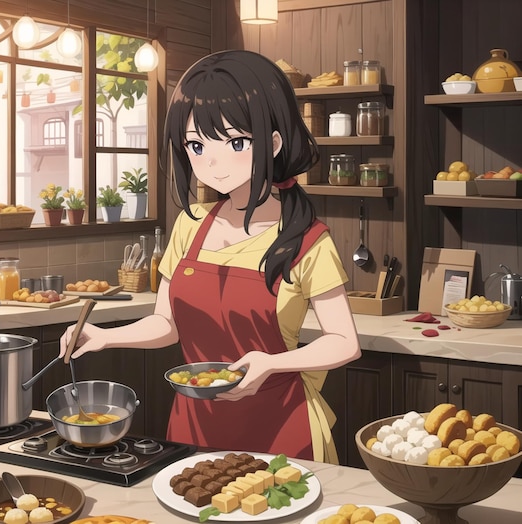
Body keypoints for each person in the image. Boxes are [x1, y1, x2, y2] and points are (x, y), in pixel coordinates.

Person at [60, 50, 360, 462]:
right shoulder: (191, 225)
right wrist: (105, 337)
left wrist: (271, 364)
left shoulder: (307, 240)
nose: (213, 163)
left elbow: (344, 342)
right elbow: (166, 324)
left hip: (281, 427)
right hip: (194, 423)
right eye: (197, 146)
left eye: (236, 142)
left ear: (272, 143)